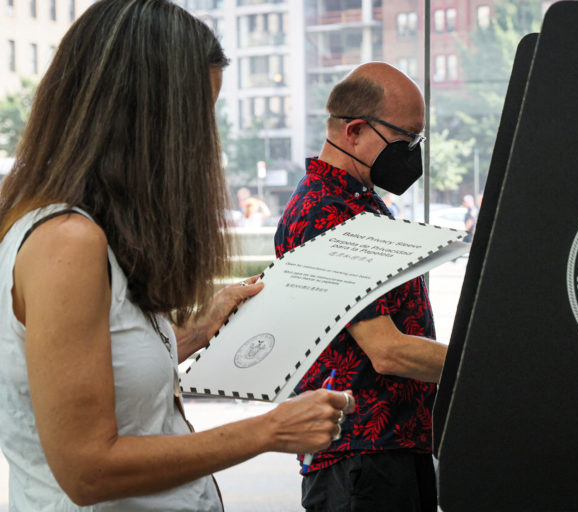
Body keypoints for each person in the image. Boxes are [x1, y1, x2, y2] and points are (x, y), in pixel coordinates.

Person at [0, 1, 354, 510]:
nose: (204, 143)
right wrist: (270, 429)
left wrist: (200, 329)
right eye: (197, 119)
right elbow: (88, 470)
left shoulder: (80, 228)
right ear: (142, 118)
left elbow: (99, 369)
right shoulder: (67, 243)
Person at [274, 62, 445, 512]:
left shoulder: (358, 205)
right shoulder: (324, 214)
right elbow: (386, 350)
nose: (412, 153)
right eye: (406, 139)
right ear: (354, 131)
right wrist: (485, 365)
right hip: (361, 458)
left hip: (389, 448)